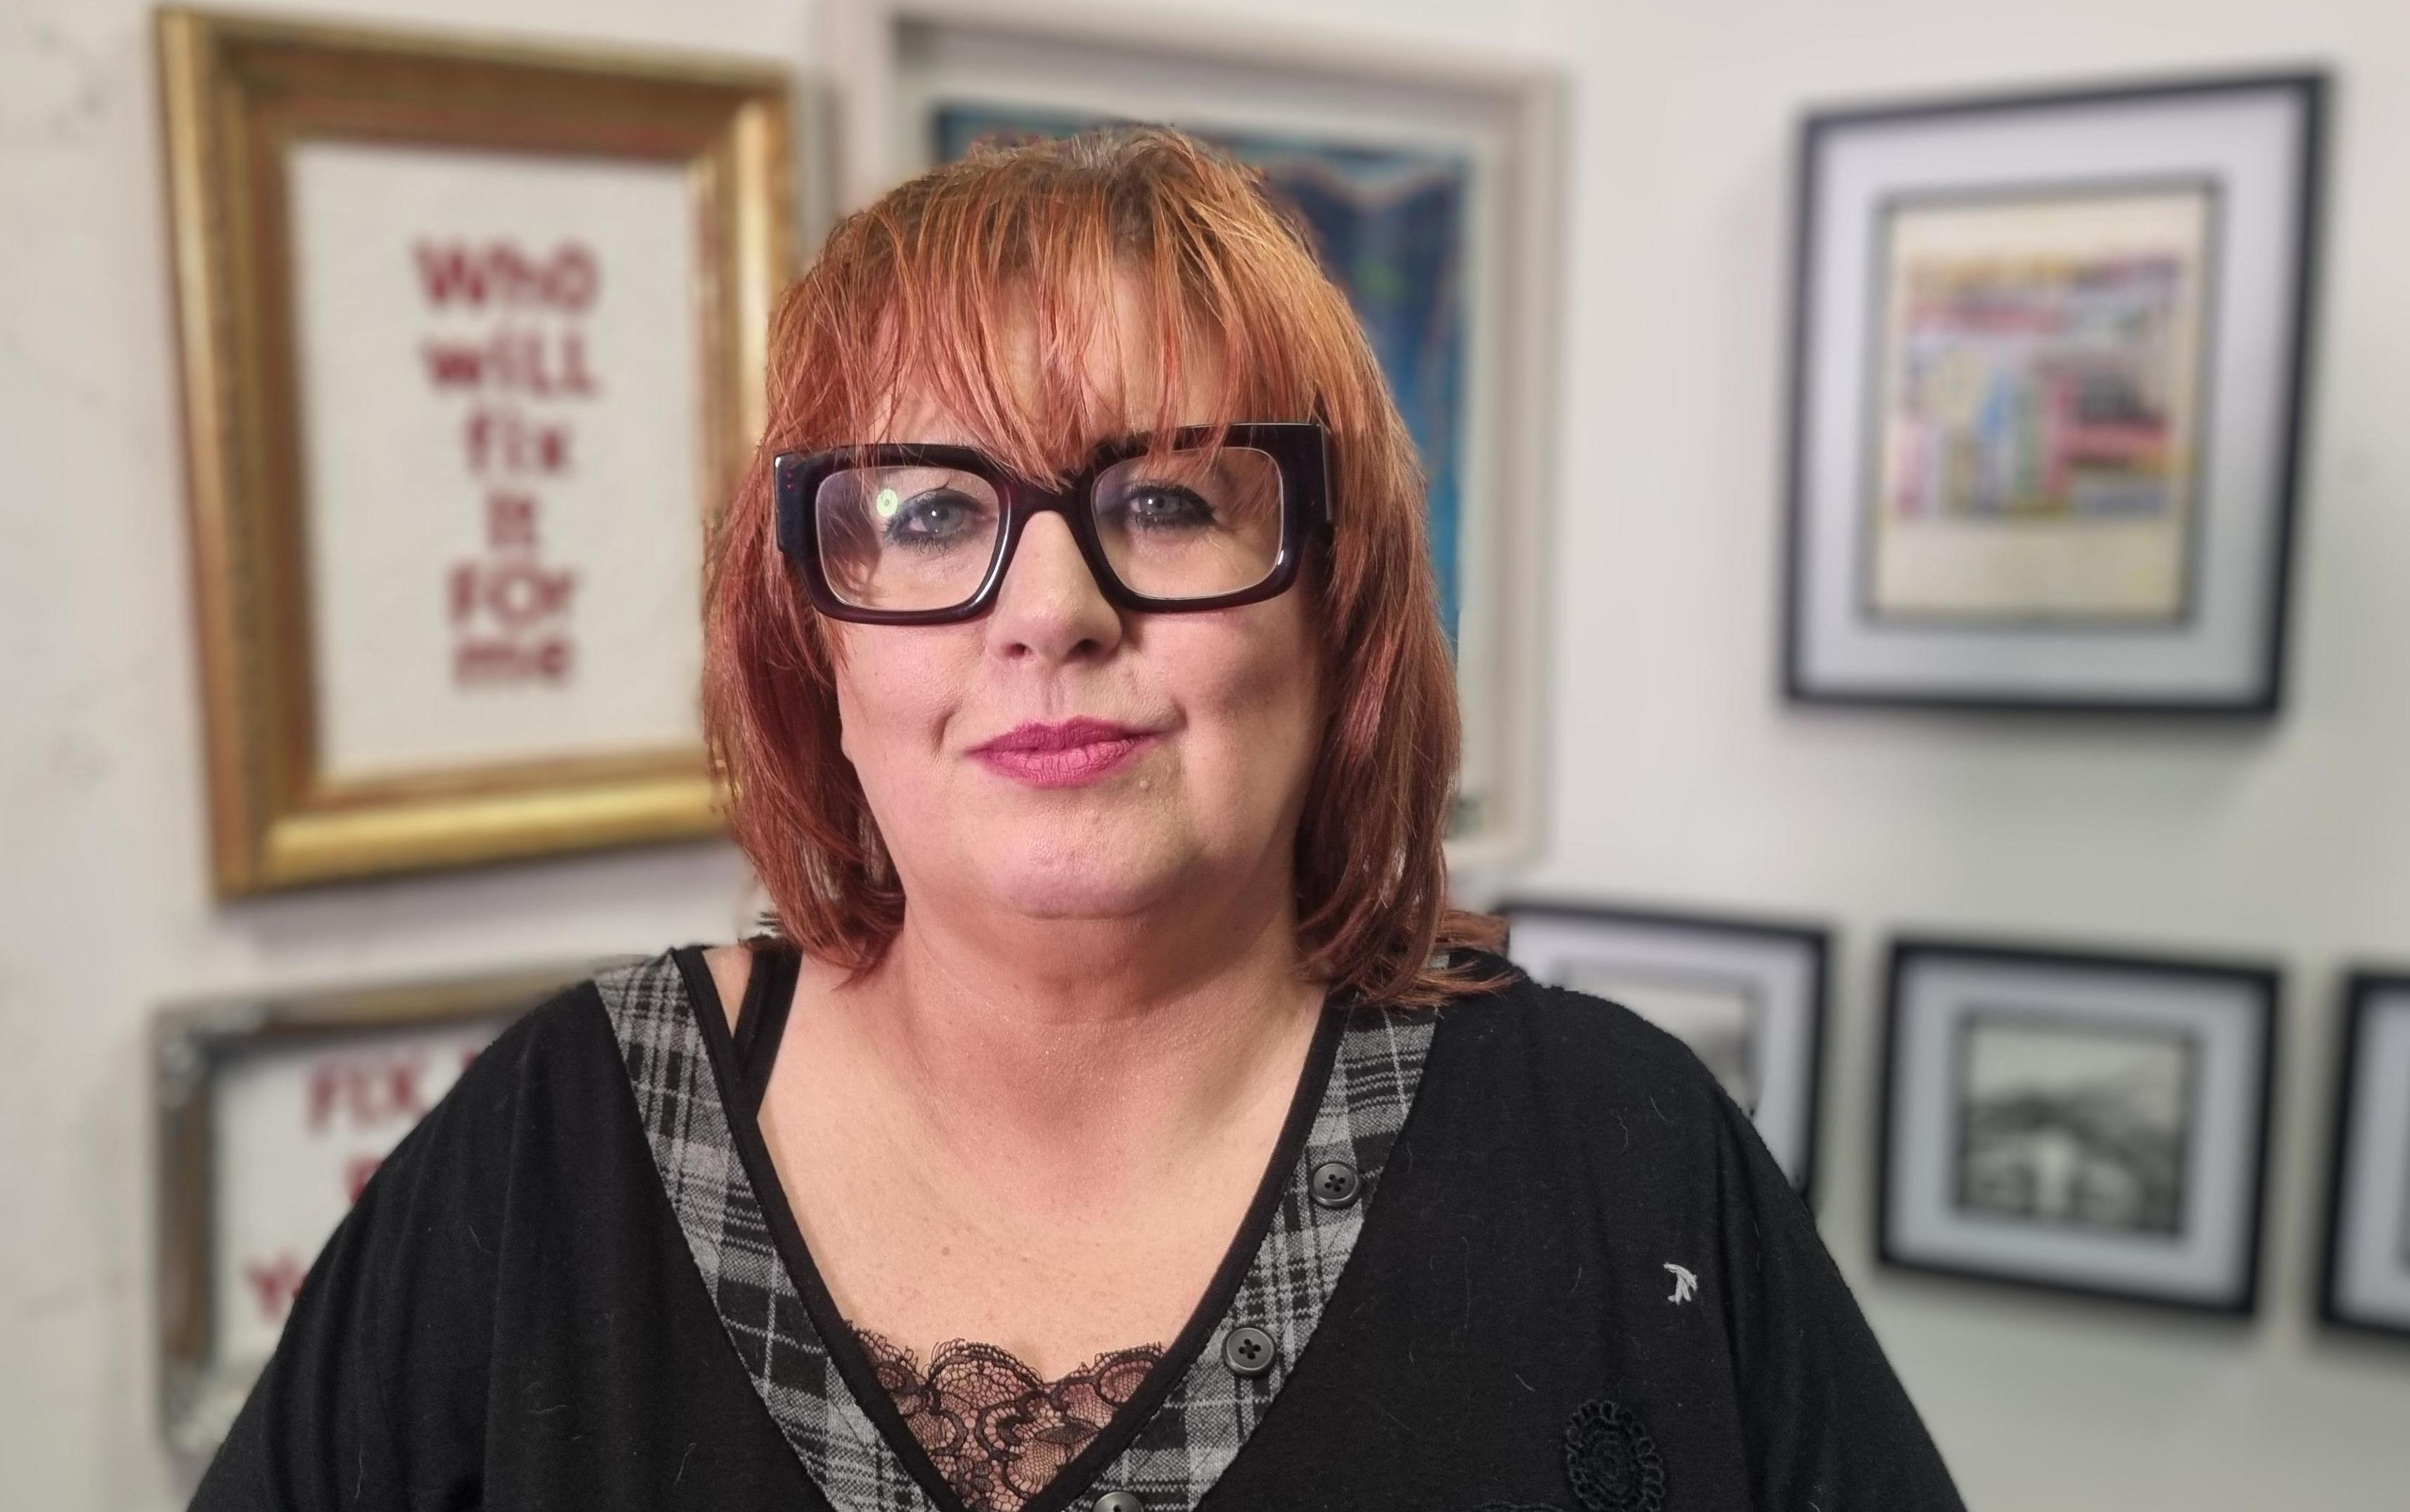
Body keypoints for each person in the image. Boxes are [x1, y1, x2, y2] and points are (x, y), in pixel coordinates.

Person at [191, 128, 1965, 1512]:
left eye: (1171, 496)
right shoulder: (554, 1150)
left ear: (1333, 608)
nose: (1050, 609)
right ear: (805, 631)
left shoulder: (1623, 1162)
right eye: (926, 511)